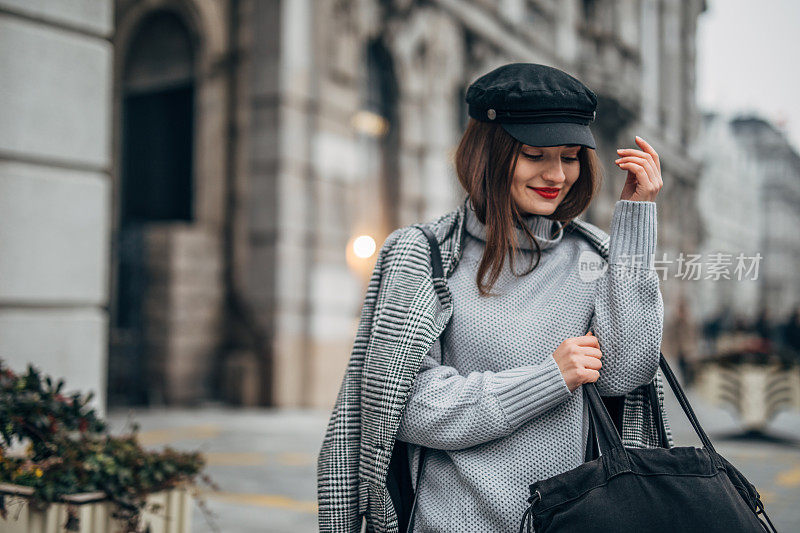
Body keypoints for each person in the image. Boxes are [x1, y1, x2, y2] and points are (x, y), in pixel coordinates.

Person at [317, 63, 671, 533]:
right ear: (489, 152)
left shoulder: (597, 257)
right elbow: (406, 407)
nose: (556, 174)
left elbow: (626, 375)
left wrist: (635, 221)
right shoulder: (424, 253)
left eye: (569, 157)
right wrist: (549, 378)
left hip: (570, 521)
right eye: (534, 154)